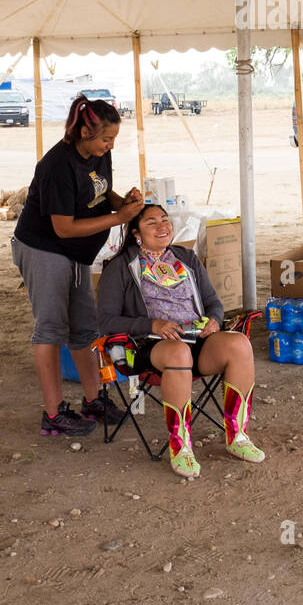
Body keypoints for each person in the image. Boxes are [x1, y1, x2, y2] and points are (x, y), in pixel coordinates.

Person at [98, 203, 264, 478]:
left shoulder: (186, 258)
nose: (162, 226)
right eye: (152, 222)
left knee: (239, 344)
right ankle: (181, 447)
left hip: (195, 339)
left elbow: (213, 303)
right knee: (178, 353)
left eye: (165, 220)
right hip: (148, 345)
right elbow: (105, 320)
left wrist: (213, 319)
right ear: (137, 232)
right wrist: (152, 324)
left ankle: (238, 436)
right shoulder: (120, 268)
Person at [11, 93, 145, 438]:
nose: (110, 145)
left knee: (85, 327)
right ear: (86, 134)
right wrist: (119, 217)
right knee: (51, 327)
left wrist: (124, 203)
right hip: (44, 248)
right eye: (106, 138)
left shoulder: (99, 154)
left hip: (74, 253)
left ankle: (93, 400)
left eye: (113, 138)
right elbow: (63, 227)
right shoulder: (57, 165)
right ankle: (53, 415)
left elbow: (101, 193)